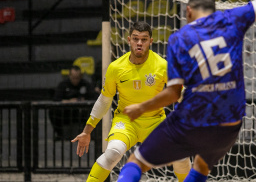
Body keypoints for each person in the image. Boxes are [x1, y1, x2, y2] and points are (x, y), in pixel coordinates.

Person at [117, 0, 256, 182]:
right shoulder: (233, 18)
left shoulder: (179, 38)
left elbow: (173, 94)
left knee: (136, 161)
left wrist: (141, 108)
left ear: (188, 11)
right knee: (201, 167)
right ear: (214, 9)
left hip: (192, 121)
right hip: (229, 127)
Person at [71, 21, 191, 182]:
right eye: (135, 38)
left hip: (155, 121)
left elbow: (181, 92)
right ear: (128, 40)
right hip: (126, 121)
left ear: (151, 41)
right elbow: (104, 100)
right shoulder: (115, 67)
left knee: (181, 156)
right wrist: (87, 131)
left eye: (144, 39)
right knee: (113, 151)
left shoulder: (163, 65)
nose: (139, 43)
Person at [50, 65, 96, 139]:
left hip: (82, 113)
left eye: (77, 78)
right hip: (66, 113)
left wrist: (83, 101)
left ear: (81, 76)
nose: (75, 80)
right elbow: (56, 99)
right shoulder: (63, 85)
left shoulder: (86, 84)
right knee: (53, 112)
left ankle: (90, 134)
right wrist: (69, 101)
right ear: (69, 75)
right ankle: (60, 134)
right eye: (73, 78)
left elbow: (93, 98)